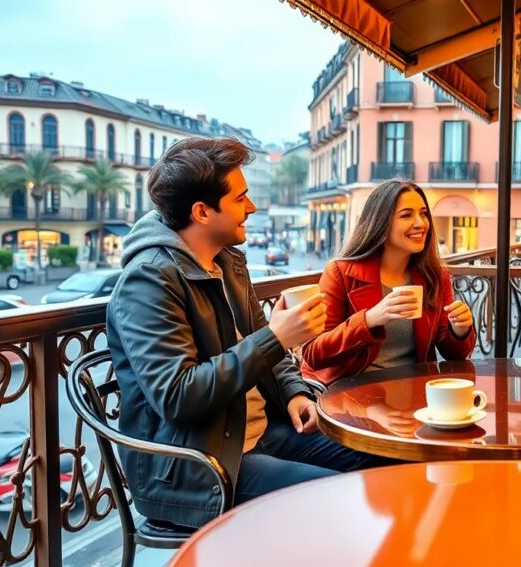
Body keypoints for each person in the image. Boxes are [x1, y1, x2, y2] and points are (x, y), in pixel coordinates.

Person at [107, 137, 375, 529]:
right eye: (240, 198)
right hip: (199, 464)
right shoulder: (149, 279)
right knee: (345, 500)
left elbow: (263, 339)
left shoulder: (227, 261)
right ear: (201, 211)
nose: (251, 207)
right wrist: (277, 339)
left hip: (261, 431)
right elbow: (178, 396)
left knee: (381, 460)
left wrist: (295, 392)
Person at [301, 179, 475, 385]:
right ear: (381, 222)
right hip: (354, 394)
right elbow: (314, 353)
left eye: (423, 213)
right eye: (406, 215)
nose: (421, 223)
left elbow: (454, 355)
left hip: (416, 391)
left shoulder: (435, 276)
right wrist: (370, 319)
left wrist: (460, 330)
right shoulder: (340, 272)